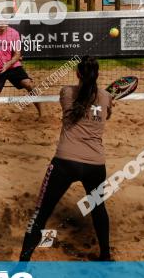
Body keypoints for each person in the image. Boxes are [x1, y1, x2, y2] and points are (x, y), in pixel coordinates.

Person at [19, 56, 112, 262]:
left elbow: (81, 106)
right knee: (98, 208)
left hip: (65, 162)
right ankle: (106, 255)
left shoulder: (67, 92)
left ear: (77, 74)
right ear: (97, 75)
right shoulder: (106, 97)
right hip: (95, 165)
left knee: (41, 214)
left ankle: (21, 267)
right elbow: (105, 114)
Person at [0, 21, 42, 119]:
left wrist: (8, 64)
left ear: (8, 22)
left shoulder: (14, 33)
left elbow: (17, 54)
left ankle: (41, 114)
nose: (2, 25)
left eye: (4, 22)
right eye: (0, 22)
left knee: (28, 84)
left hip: (13, 66)